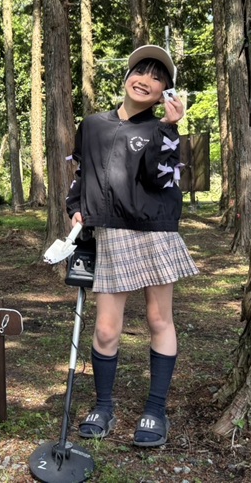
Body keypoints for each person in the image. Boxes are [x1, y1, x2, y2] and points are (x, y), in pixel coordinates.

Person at [65, 44, 198, 447]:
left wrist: (172, 130)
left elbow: (162, 180)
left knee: (159, 321)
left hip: (155, 231)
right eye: (141, 72)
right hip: (109, 233)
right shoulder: (92, 124)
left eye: (158, 78)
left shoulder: (162, 130)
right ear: (126, 78)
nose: (147, 81)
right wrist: (75, 208)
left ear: (165, 93)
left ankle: (155, 411)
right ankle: (103, 405)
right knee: (106, 328)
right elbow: (81, 172)